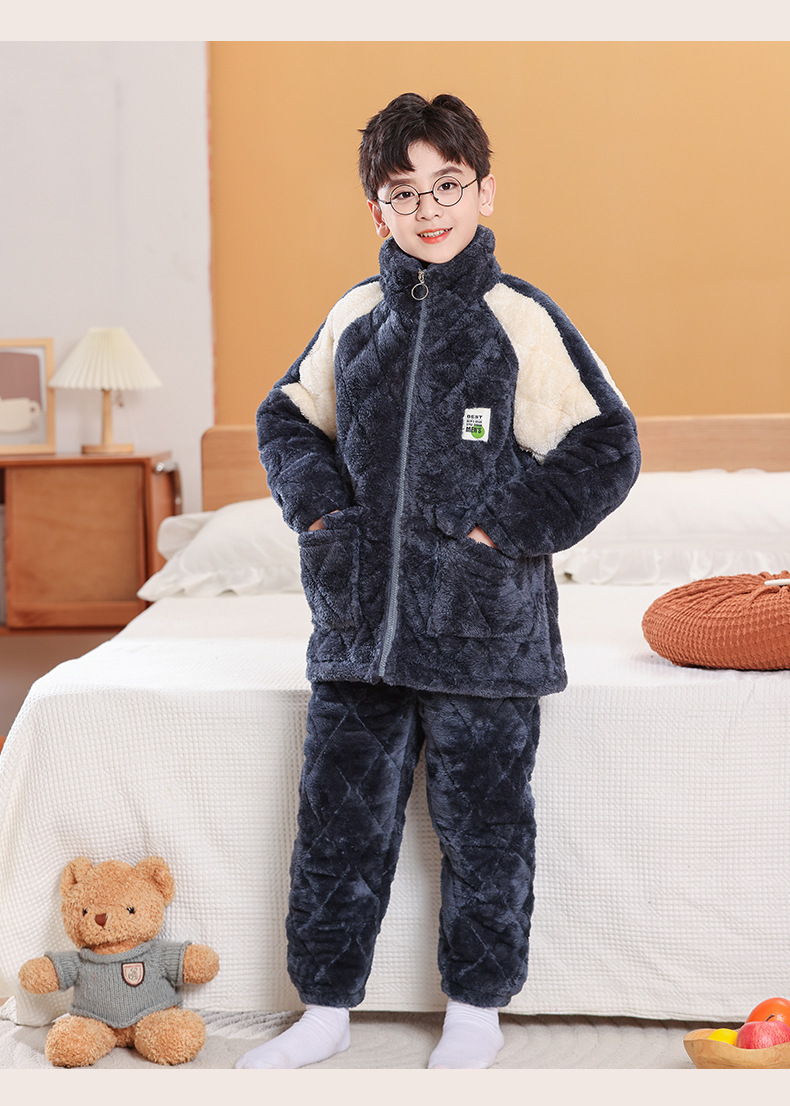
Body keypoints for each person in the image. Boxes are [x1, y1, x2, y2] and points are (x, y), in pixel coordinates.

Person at [236, 92, 640, 1070]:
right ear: (376, 209)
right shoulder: (353, 317)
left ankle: (476, 1009)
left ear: (484, 191)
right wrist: (324, 515)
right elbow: (285, 417)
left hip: (482, 636)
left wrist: (500, 533)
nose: (428, 210)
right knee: (337, 824)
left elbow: (606, 443)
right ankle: (323, 1009)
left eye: (447, 185)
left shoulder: (518, 320)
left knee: (485, 828)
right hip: (358, 634)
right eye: (404, 191)